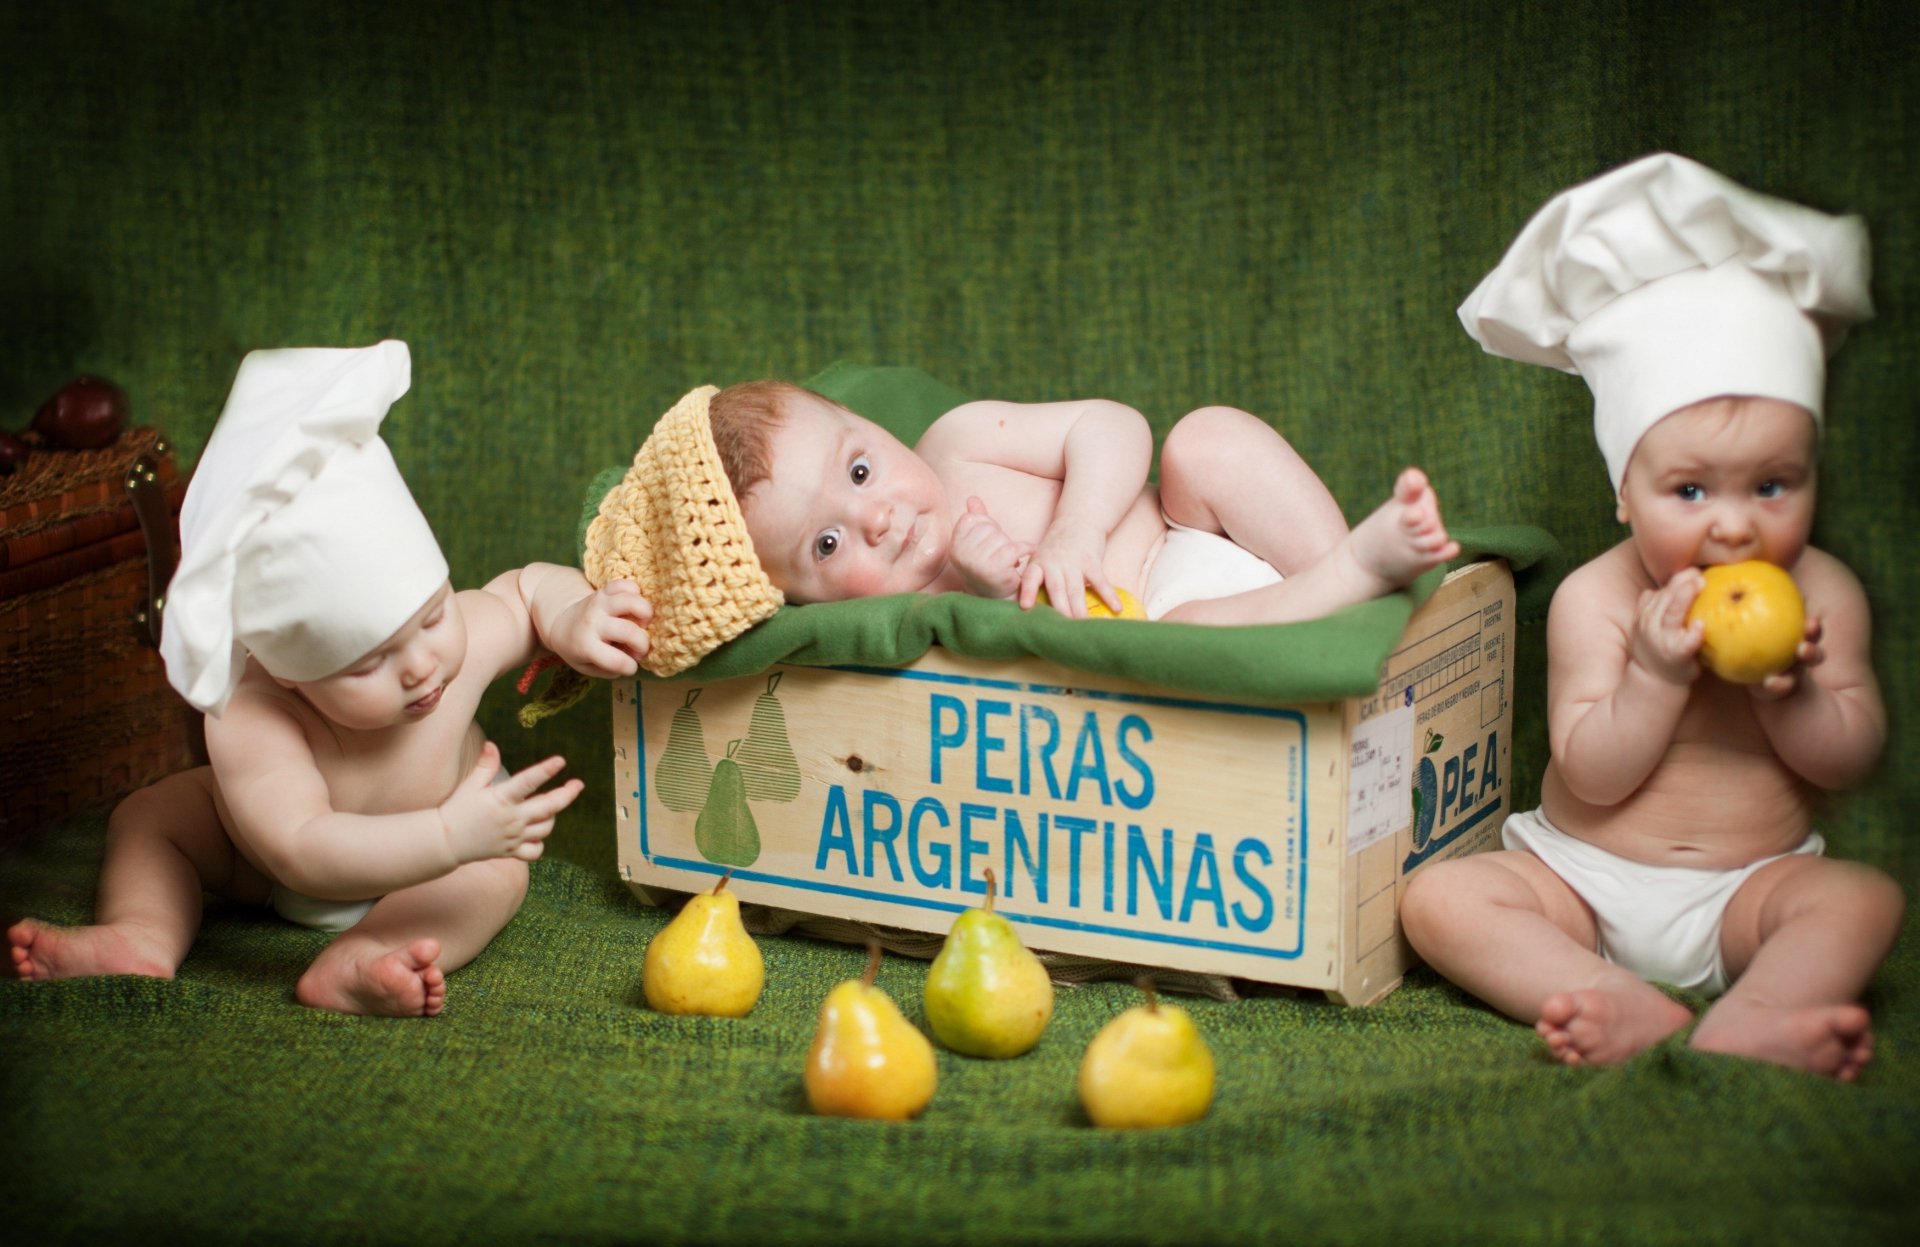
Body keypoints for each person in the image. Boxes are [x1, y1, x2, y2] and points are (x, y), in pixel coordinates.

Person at [1401, 153, 1905, 1080]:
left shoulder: (1821, 595)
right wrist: (1655, 673)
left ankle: (1754, 1014)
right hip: (1583, 882)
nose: (1734, 522)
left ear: (1812, 475)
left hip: (1749, 888)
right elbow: (1590, 774)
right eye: (1689, 489)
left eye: (1772, 484)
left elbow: (1852, 756)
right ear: (1625, 494)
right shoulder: (1598, 597)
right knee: (1439, 898)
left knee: (1862, 897)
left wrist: (1789, 691)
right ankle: (1616, 995)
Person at [7, 341, 652, 1017]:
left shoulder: (457, 632)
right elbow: (300, 849)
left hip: (445, 861)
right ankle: (141, 932)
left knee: (496, 873)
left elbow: (521, 591)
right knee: (151, 816)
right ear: (285, 671)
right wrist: (444, 833)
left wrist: (573, 612)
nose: (420, 663)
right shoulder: (252, 716)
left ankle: (360, 957)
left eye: (431, 615)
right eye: (368, 661)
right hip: (266, 864)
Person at [697, 380, 1458, 625]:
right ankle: (1354, 577)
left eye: (860, 471)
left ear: (873, 427)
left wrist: (1076, 529)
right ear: (799, 598)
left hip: (1190, 533)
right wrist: (994, 596)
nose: (876, 519)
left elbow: (1112, 425)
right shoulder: (902, 625)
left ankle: (1348, 586)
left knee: (1207, 442)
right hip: (1176, 625)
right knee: (1178, 642)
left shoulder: (956, 445)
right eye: (826, 546)